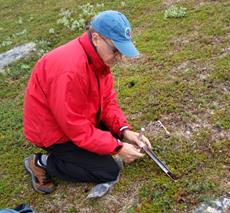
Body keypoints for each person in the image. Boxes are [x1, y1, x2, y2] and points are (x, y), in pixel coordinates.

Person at [23, 10, 151, 194]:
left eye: (122, 51)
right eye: (116, 50)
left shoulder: (97, 58)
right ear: (97, 37)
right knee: (108, 170)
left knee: (113, 137)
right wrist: (117, 148)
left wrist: (124, 131)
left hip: (79, 117)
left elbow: (106, 101)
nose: (120, 58)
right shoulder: (70, 71)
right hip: (53, 132)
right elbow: (74, 127)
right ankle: (41, 162)